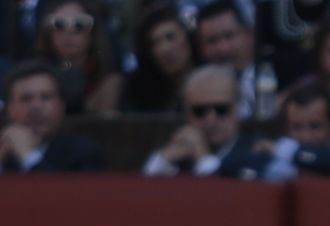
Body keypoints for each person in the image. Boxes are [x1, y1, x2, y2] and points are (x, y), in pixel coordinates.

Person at [143, 64, 277, 177]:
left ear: (237, 108)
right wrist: (164, 159)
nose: (211, 119)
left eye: (221, 109)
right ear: (186, 114)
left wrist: (202, 158)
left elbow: (229, 198)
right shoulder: (181, 155)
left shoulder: (257, 150)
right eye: (199, 111)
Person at [1, 62, 105, 172]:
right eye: (26, 99)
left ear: (61, 106)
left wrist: (29, 156)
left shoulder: (85, 155)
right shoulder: (4, 152)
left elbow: (64, 190)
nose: (36, 107)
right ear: (10, 109)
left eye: (46, 97)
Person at [34, 0, 123, 114]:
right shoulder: (35, 76)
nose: (68, 32)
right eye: (59, 24)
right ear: (48, 32)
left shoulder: (109, 79)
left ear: (92, 32)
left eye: (80, 24)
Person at [125, 6, 199, 113]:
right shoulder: (142, 95)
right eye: (154, 43)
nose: (164, 49)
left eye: (170, 37)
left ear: (187, 37)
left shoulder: (213, 80)